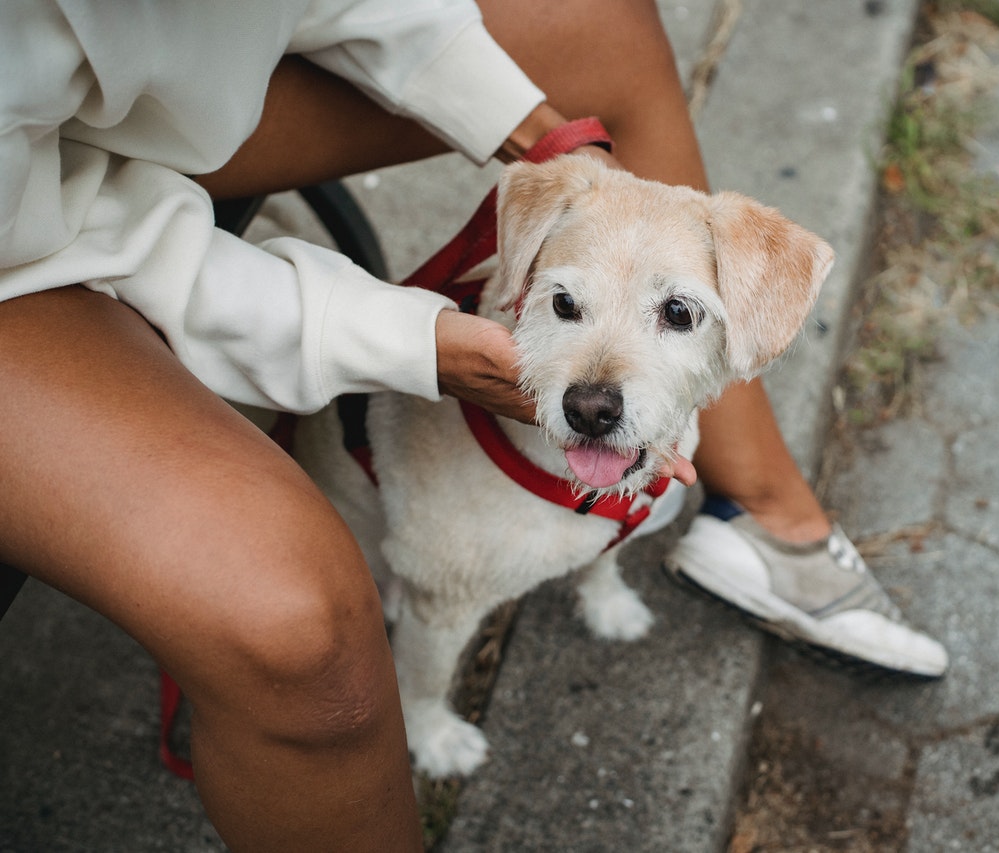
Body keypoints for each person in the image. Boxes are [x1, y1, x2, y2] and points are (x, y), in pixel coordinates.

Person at [0, 0, 945, 849]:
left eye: (679, 314)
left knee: (609, 23)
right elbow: (66, 228)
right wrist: (410, 341)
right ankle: (417, 711)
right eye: (563, 302)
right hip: (32, 227)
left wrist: (543, 136)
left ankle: (758, 511)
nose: (598, 388)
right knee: (303, 629)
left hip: (170, 88)